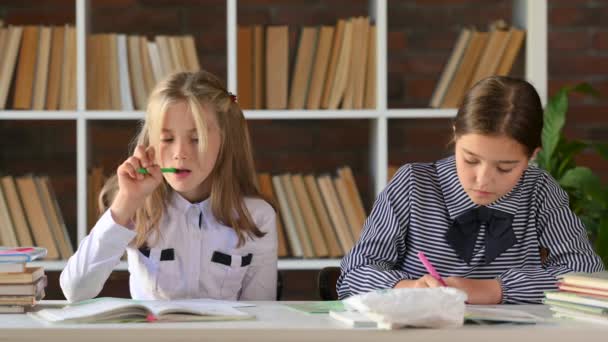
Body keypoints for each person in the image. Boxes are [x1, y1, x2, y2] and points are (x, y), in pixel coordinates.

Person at [337, 76, 604, 304]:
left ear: (532, 156)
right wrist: (408, 288)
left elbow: (585, 273)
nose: (483, 179)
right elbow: (355, 273)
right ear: (455, 135)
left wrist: (495, 290)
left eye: (505, 167)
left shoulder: (539, 191)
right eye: (471, 160)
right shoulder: (412, 185)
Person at [61, 70, 278, 302]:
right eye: (167, 139)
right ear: (151, 141)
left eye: (196, 139)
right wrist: (127, 201)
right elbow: (75, 291)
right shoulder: (136, 207)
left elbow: (261, 313)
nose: (180, 154)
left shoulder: (257, 216)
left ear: (226, 141)